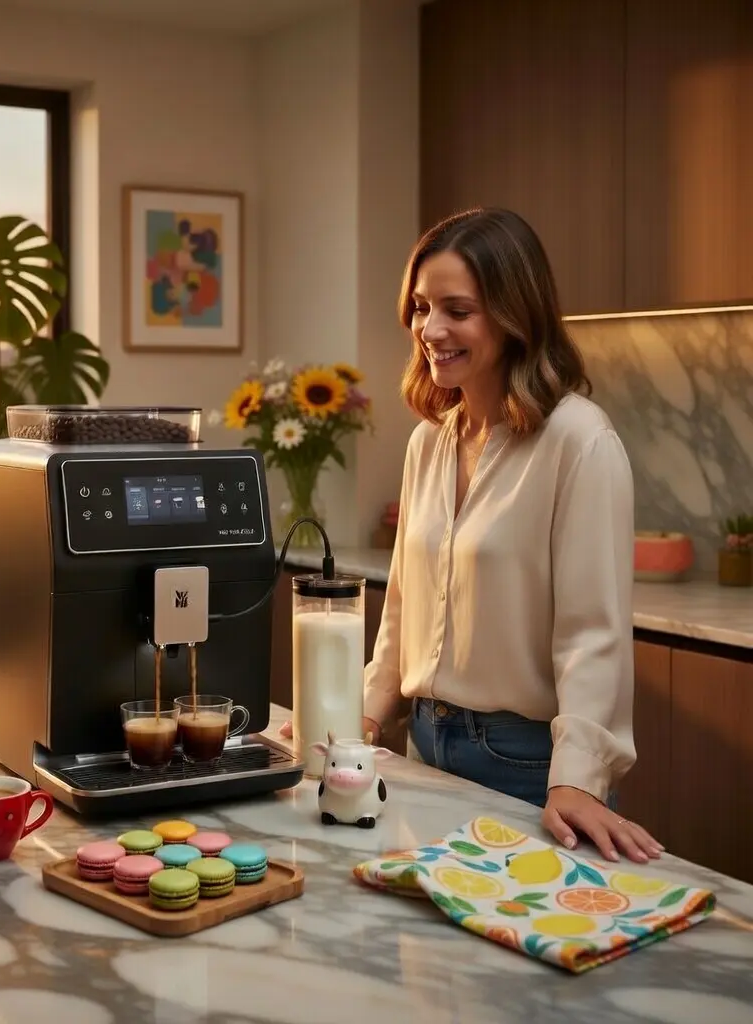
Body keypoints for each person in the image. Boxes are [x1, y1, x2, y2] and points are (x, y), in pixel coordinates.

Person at [283, 207, 662, 866]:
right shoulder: (429, 441)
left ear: (515, 315)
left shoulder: (580, 441)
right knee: (427, 963)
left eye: (458, 309)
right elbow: (402, 607)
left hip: (524, 765)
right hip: (422, 745)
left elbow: (592, 634)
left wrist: (577, 779)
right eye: (422, 307)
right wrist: (360, 716)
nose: (430, 329)